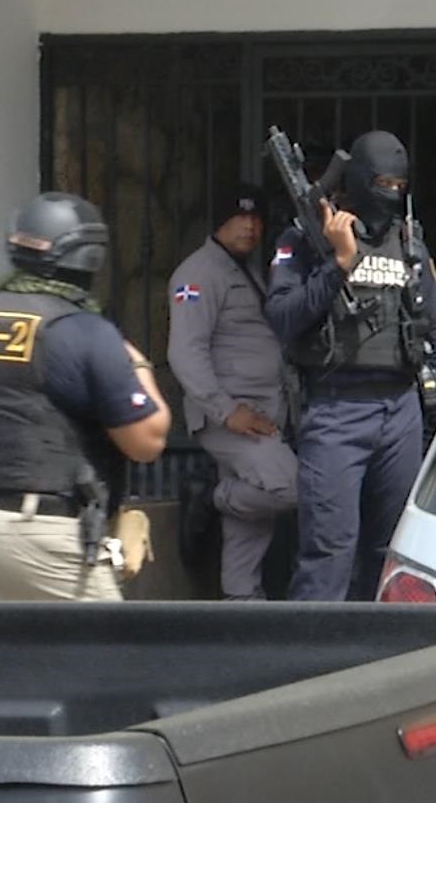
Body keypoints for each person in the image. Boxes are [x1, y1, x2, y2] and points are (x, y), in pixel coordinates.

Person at [0, 191, 171, 602]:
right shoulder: (84, 331)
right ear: (90, 257)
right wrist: (138, 364)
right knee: (110, 645)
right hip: (42, 537)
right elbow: (147, 441)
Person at [265, 131, 436, 602]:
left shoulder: (409, 243)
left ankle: (382, 647)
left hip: (400, 410)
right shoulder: (306, 238)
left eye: (398, 185)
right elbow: (283, 318)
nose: (390, 194)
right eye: (381, 184)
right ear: (356, 180)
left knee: (393, 552)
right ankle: (316, 648)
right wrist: (339, 263)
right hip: (336, 409)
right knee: (329, 552)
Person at [166, 184, 298, 601]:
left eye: (256, 218)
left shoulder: (246, 269)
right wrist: (226, 411)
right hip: (231, 415)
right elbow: (184, 352)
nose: (249, 226)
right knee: (291, 487)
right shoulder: (199, 272)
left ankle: (242, 604)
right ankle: (210, 497)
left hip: (262, 411)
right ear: (220, 220)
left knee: (249, 527)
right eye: (240, 217)